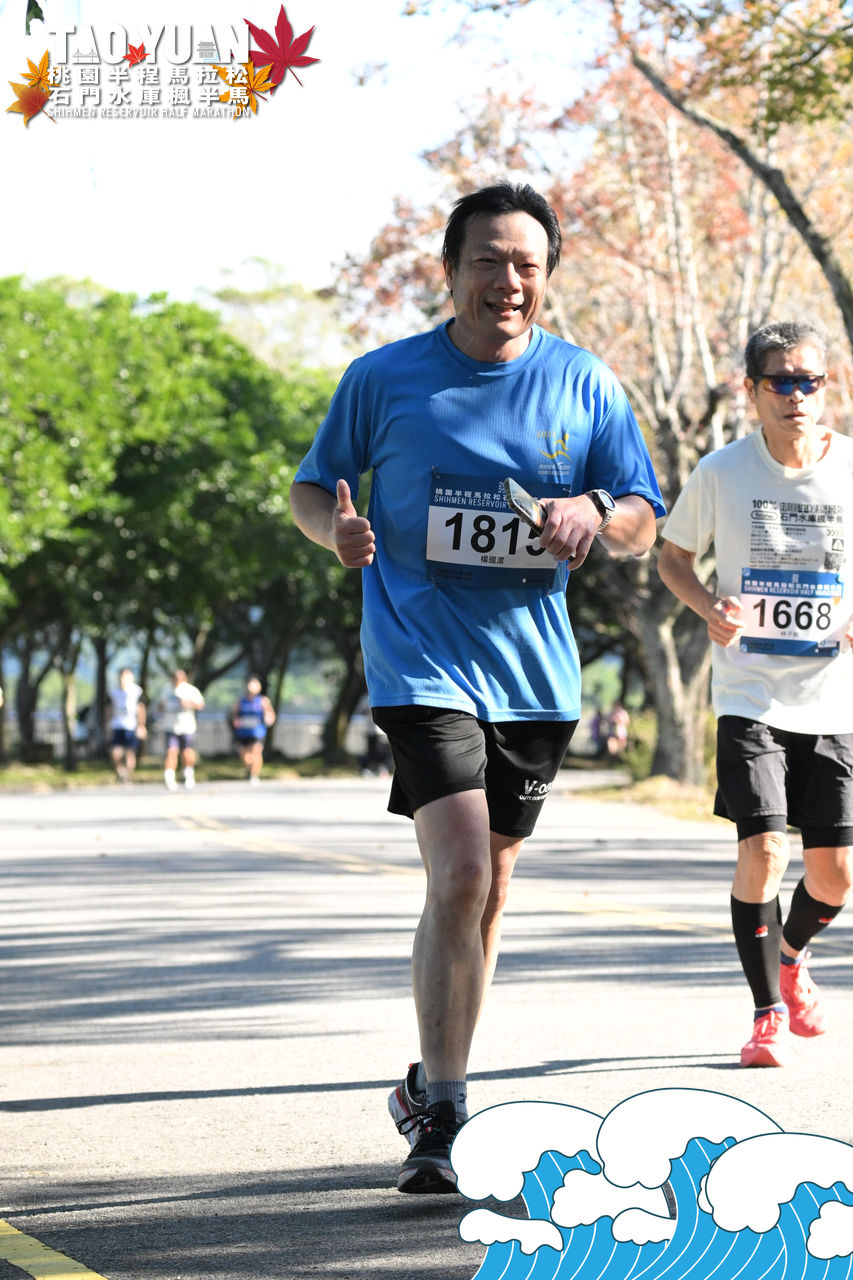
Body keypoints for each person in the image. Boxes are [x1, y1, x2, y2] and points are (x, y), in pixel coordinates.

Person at [290, 181, 664, 1194]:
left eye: (526, 265)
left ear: (547, 277)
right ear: (451, 269)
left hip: (534, 679)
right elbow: (311, 487)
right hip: (419, 660)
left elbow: (642, 515)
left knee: (491, 888)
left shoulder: (584, 382)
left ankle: (427, 1077)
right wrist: (336, 531)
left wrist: (594, 511)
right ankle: (446, 1112)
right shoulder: (384, 378)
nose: (507, 281)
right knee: (459, 873)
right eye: (488, 261)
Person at [658, 320, 853, 1070]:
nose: (796, 395)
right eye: (781, 381)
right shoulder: (721, 472)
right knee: (764, 849)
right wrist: (709, 608)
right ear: (751, 390)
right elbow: (674, 558)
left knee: (834, 876)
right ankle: (766, 1011)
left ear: (826, 388)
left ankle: (792, 955)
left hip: (834, 698)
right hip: (749, 696)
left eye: (810, 381)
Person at [157, 669, 205, 791]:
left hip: (186, 727)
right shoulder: (167, 690)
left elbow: (200, 705)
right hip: (171, 726)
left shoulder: (191, 690)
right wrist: (164, 707)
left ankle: (188, 774)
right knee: (171, 752)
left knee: (186, 752)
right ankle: (169, 777)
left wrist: (188, 704)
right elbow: (160, 706)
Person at [230, 674, 276, 784]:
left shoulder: (263, 701)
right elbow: (233, 714)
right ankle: (250, 769)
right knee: (245, 756)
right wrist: (235, 721)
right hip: (243, 732)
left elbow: (270, 714)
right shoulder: (241, 702)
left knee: (256, 752)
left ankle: (254, 775)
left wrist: (269, 719)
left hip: (257, 732)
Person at [106, 668, 147, 782]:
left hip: (131, 726)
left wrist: (141, 725)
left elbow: (141, 709)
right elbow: (108, 709)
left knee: (130, 752)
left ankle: (127, 776)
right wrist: (107, 724)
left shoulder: (137, 691)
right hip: (117, 725)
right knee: (115, 752)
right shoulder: (113, 692)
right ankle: (120, 771)